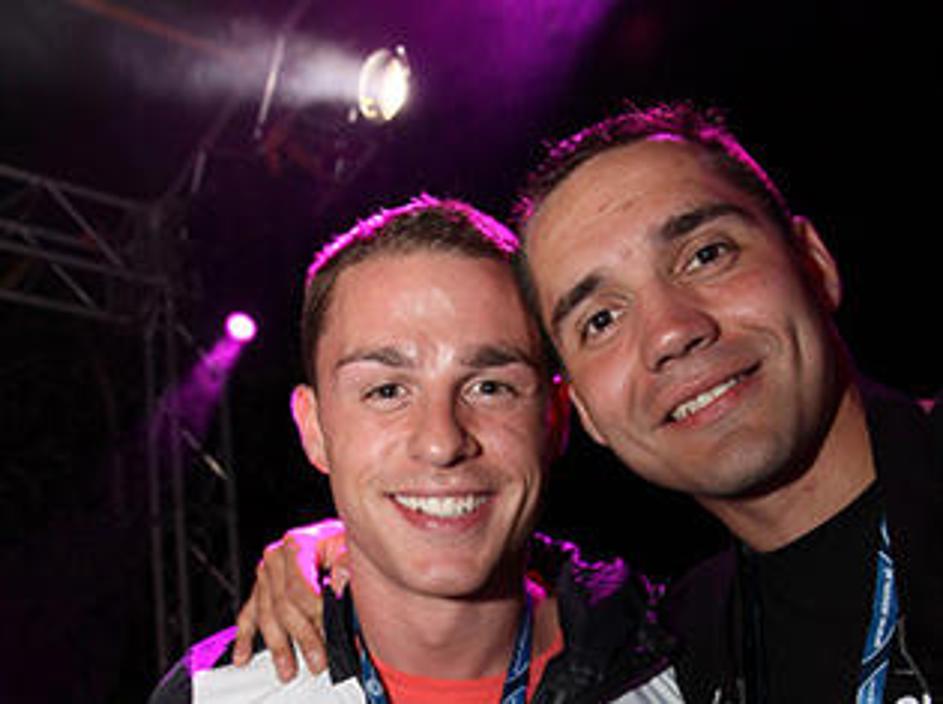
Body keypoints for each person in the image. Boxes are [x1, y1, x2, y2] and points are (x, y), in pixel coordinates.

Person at [237, 105, 942, 703]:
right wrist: (359, 542)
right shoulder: (684, 641)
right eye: (600, 319)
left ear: (813, 264)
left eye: (706, 255)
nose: (670, 331)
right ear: (583, 412)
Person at [149, 195, 680, 703]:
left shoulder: (685, 662)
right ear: (314, 430)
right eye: (387, 392)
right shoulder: (211, 696)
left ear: (556, 417)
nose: (441, 442)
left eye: (490, 387)